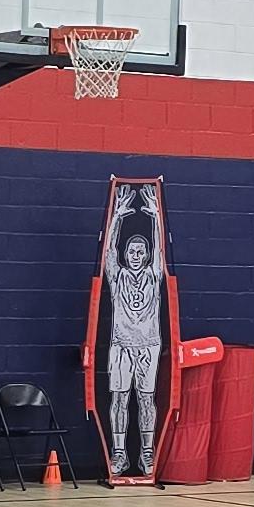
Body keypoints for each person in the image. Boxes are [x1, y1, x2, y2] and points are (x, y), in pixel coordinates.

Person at [101, 200, 166, 478]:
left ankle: (147, 453)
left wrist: (156, 218)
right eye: (132, 250)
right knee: (119, 399)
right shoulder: (118, 277)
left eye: (141, 251)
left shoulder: (154, 275)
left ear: (147, 254)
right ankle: (119, 453)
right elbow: (108, 253)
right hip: (121, 346)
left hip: (149, 345)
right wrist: (116, 218)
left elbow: (162, 250)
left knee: (147, 399)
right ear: (126, 254)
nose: (136, 254)